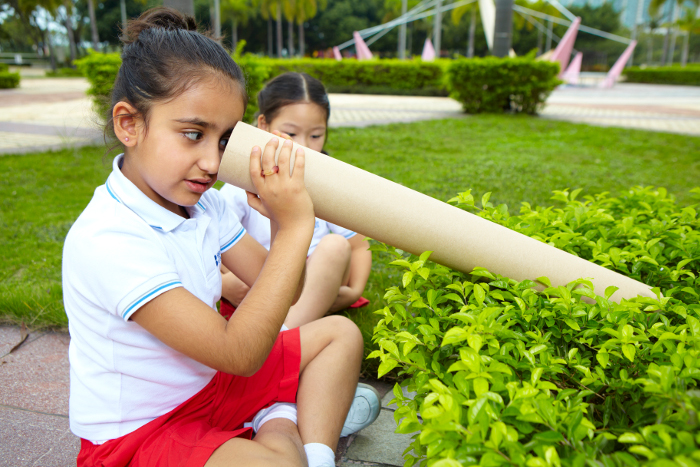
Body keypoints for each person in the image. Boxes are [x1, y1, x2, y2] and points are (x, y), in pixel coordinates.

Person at [62, 8, 377, 467]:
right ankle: (280, 419)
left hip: (212, 385)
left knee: (340, 335)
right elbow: (239, 352)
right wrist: (294, 229)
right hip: (142, 432)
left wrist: (274, 218)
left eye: (225, 140)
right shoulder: (109, 238)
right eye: (193, 134)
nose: (212, 162)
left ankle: (308, 446)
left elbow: (282, 293)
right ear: (129, 124)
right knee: (276, 462)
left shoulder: (201, 204)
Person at [220, 73, 372, 329]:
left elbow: (357, 246)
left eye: (315, 136)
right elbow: (208, 244)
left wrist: (355, 290)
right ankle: (284, 329)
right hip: (260, 279)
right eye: (290, 133)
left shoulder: (328, 185)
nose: (304, 147)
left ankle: (282, 332)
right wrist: (225, 284)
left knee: (336, 246)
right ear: (263, 125)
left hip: (317, 276)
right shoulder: (240, 185)